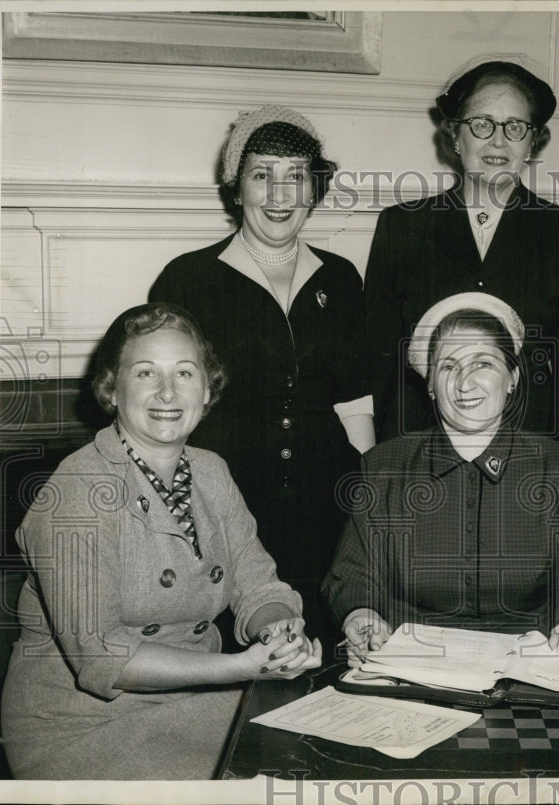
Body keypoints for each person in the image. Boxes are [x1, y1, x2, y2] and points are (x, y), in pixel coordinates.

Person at [0, 304, 322, 780]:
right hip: (84, 729)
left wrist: (280, 633)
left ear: (207, 389)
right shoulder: (76, 491)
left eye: (184, 373)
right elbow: (103, 659)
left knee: (320, 748)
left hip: (199, 700)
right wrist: (242, 667)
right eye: (146, 372)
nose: (168, 392)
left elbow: (259, 586)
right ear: (112, 389)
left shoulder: (211, 471)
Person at [150, 106, 373, 631]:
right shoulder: (188, 278)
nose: (279, 195)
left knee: (327, 641)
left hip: (327, 502)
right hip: (226, 498)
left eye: (295, 176)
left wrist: (368, 504)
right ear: (236, 188)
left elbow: (355, 399)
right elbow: (166, 404)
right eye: (261, 175)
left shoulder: (340, 278)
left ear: (314, 190)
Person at [324, 293, 559, 663]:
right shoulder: (383, 467)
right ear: (429, 384)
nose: (464, 384)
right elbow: (353, 578)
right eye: (448, 367)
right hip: (412, 665)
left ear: (512, 378)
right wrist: (361, 616)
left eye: (483, 363)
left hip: (531, 668)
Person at [364, 59, 559, 441]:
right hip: (422, 443)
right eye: (482, 124)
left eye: (515, 127)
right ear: (455, 135)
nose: (498, 141)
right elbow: (378, 359)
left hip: (531, 446)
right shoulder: (403, 226)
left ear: (532, 143)